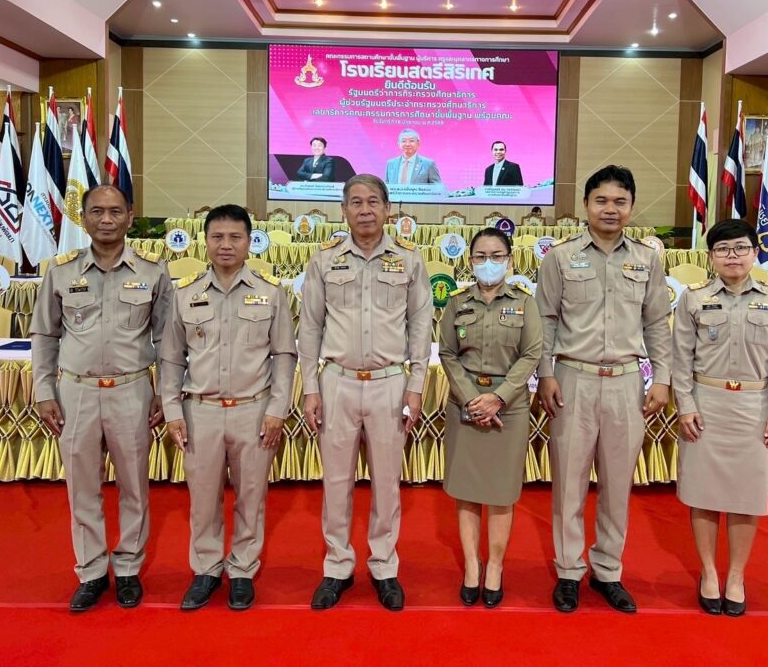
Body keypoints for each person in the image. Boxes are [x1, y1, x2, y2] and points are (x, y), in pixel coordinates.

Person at [535, 164, 671, 614]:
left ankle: (608, 570)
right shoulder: (560, 257)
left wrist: (663, 378)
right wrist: (546, 373)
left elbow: (657, 322)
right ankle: (568, 570)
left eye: (619, 201)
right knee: (569, 484)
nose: (610, 209)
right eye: (601, 201)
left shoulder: (647, 259)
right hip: (572, 379)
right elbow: (545, 319)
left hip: (627, 382)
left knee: (617, 484)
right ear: (586, 205)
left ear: (631, 207)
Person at [31, 185, 171, 612]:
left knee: (134, 486)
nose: (106, 220)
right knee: (82, 487)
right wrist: (43, 390)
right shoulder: (60, 272)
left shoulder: (153, 272)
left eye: (115, 211)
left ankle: (127, 569)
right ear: (84, 217)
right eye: (97, 212)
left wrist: (165, 392)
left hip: (132, 390)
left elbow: (167, 339)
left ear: (130, 215)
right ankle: (90, 572)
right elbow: (44, 334)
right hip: (76, 392)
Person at [299, 174, 432, 611]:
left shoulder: (409, 260)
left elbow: (420, 325)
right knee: (336, 482)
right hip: (336, 381)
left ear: (388, 208)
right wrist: (310, 387)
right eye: (355, 202)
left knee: (387, 483)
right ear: (343, 211)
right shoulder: (324, 260)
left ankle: (384, 566)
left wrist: (416, 384)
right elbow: (310, 327)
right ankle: (337, 566)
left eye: (373, 201)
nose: (365, 210)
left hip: (389, 384)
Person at [159, 204, 297, 612]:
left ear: (249, 242)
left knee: (251, 497)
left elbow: (284, 355)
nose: (226, 244)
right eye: (217, 237)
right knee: (203, 499)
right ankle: (205, 569)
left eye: (235, 237)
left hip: (253, 411)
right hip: (200, 411)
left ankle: (242, 571)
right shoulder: (186, 293)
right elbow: (171, 359)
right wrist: (172, 411)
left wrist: (278, 409)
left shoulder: (270, 292)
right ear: (205, 241)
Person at [672, 219, 768, 617]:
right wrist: (685, 405)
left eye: (741, 248)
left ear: (755, 253)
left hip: (754, 408)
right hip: (705, 404)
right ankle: (709, 572)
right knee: (703, 494)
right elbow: (680, 359)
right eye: (723, 249)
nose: (733, 256)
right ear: (711, 257)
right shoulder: (693, 299)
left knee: (746, 496)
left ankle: (737, 575)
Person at [438, 228, 541, 608]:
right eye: (480, 256)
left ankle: (495, 565)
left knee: (500, 492)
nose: (488, 263)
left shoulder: (525, 303)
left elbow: (532, 354)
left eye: (497, 256)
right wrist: (471, 400)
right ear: (470, 261)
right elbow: (448, 353)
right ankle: (471, 565)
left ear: (510, 260)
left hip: (508, 407)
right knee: (466, 490)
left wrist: (497, 398)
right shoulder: (457, 303)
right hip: (464, 405)